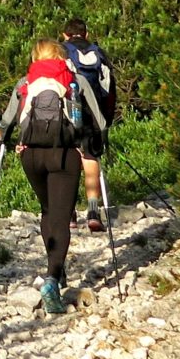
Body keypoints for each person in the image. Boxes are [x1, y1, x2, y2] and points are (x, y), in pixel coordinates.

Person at [0, 38, 94, 313]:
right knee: (62, 216)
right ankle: (52, 278)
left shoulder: (24, 83)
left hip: (31, 156)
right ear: (61, 56)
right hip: (64, 154)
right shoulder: (75, 81)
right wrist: (94, 142)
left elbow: (7, 121)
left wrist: (3, 136)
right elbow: (97, 119)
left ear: (35, 57)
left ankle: (57, 271)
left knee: (48, 210)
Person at [59, 19, 116, 234]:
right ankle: (93, 211)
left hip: (68, 114)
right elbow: (109, 89)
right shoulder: (99, 53)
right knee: (90, 159)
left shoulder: (61, 52)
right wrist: (105, 119)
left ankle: (70, 213)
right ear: (86, 33)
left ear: (64, 35)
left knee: (69, 159)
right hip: (94, 115)